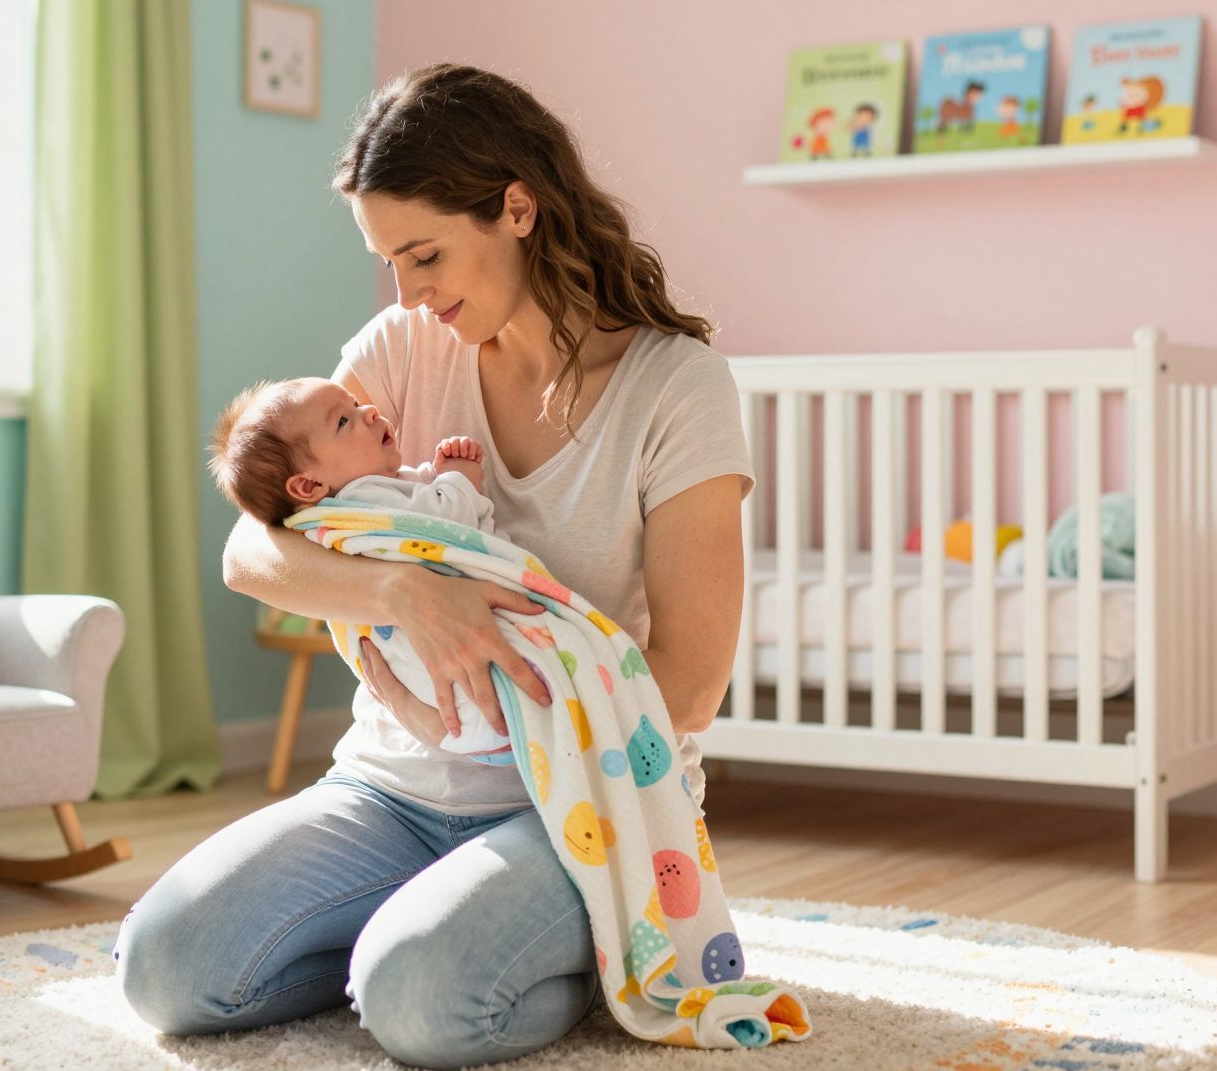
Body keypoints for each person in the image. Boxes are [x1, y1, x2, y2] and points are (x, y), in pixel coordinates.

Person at [116, 62, 752, 1069]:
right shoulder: (407, 348)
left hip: (578, 803)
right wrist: (402, 591)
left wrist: (536, 726)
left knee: (418, 1001)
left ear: (514, 208)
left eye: (423, 256)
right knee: (162, 966)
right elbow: (255, 542)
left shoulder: (676, 388)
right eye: (388, 264)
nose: (409, 294)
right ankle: (413, 942)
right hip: (390, 789)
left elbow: (691, 678)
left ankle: (586, 942)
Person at [207, 375, 513, 760]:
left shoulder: (363, 497)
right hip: (466, 703)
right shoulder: (362, 500)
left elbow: (412, 502)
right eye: (343, 421)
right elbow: (448, 521)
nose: (367, 411)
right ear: (308, 487)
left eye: (355, 404)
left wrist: (428, 476)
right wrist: (458, 477)